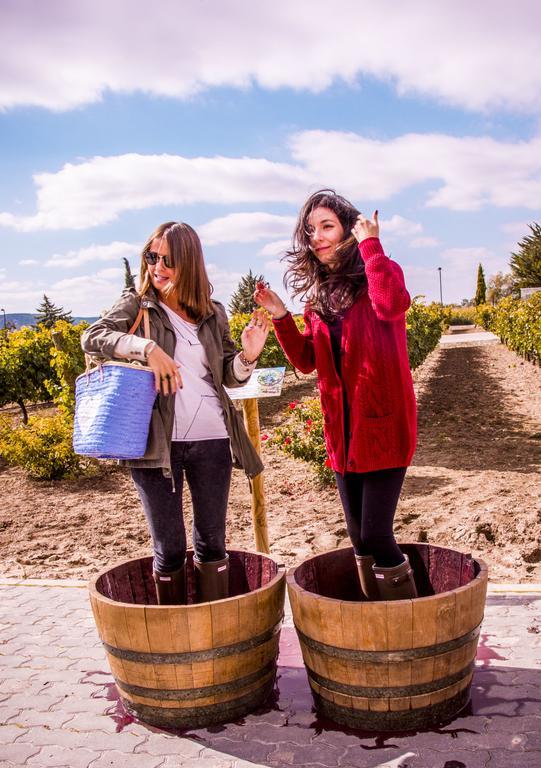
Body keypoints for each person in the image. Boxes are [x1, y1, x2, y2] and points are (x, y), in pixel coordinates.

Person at [82, 221, 269, 605]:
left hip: (212, 439)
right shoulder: (138, 304)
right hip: (157, 445)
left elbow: (228, 377)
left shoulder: (213, 313)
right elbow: (93, 336)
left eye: (168, 259)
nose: (157, 266)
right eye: (152, 256)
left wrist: (248, 356)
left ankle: (213, 632)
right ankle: (176, 644)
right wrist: (145, 349)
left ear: (190, 263)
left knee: (213, 543)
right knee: (168, 547)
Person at [254, 190, 417, 601]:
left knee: (378, 535)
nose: (317, 237)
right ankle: (374, 619)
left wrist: (372, 247)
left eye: (327, 226)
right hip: (342, 435)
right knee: (359, 539)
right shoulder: (319, 296)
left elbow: (392, 305)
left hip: (382, 427)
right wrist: (280, 315)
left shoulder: (381, 274)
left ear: (348, 228)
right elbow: (308, 361)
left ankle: (410, 621)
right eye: (311, 230)